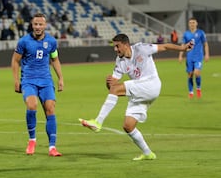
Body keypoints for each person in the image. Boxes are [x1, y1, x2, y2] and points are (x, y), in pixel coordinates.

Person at [79, 33, 194, 161]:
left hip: (152, 84)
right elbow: (113, 87)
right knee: (128, 126)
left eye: (117, 46)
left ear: (126, 44)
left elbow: (165, 47)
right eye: (114, 47)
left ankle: (98, 122)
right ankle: (148, 153)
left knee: (117, 90)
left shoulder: (141, 48)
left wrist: (182, 48)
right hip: (141, 91)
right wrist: (109, 82)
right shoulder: (120, 61)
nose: (115, 49)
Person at [11, 12, 64, 157]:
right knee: (32, 105)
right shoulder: (24, 41)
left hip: (46, 81)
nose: (38, 27)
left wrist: (60, 78)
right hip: (28, 80)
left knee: (50, 109)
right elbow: (15, 61)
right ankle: (32, 140)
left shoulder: (51, 42)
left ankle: (52, 147)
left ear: (45, 25)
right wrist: (16, 80)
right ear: (32, 25)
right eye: (35, 24)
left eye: (41, 24)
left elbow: (55, 59)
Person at [178, 17, 210, 99]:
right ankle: (191, 92)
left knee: (197, 73)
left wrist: (207, 54)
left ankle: (198, 88)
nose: (192, 24)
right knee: (190, 75)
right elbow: (183, 46)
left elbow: (205, 44)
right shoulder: (186, 34)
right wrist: (180, 55)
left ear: (196, 23)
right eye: (190, 23)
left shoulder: (200, 33)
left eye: (193, 22)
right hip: (189, 57)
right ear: (188, 24)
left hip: (198, 56)